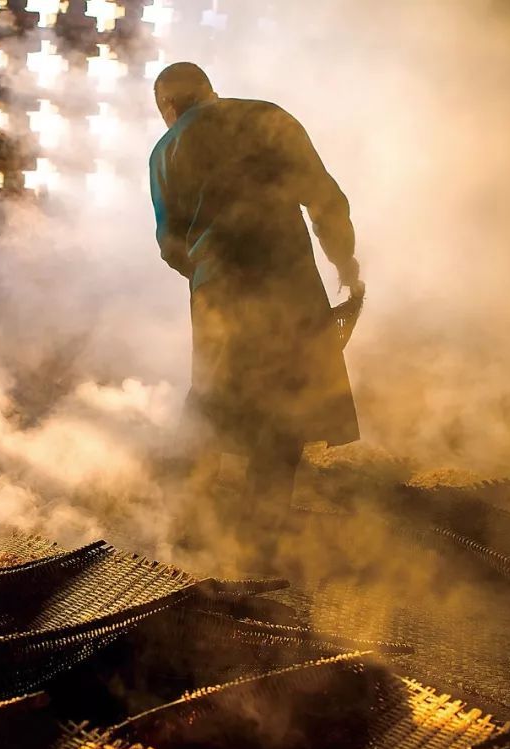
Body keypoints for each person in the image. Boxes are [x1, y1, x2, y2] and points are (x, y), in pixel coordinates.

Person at [149, 62, 364, 569]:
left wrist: (208, 276)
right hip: (288, 283)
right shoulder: (267, 117)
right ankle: (258, 545)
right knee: (283, 408)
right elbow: (324, 197)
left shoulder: (166, 149)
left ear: (169, 106)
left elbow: (169, 243)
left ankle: (187, 531)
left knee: (211, 400)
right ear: (210, 90)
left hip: (219, 294)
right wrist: (346, 264)